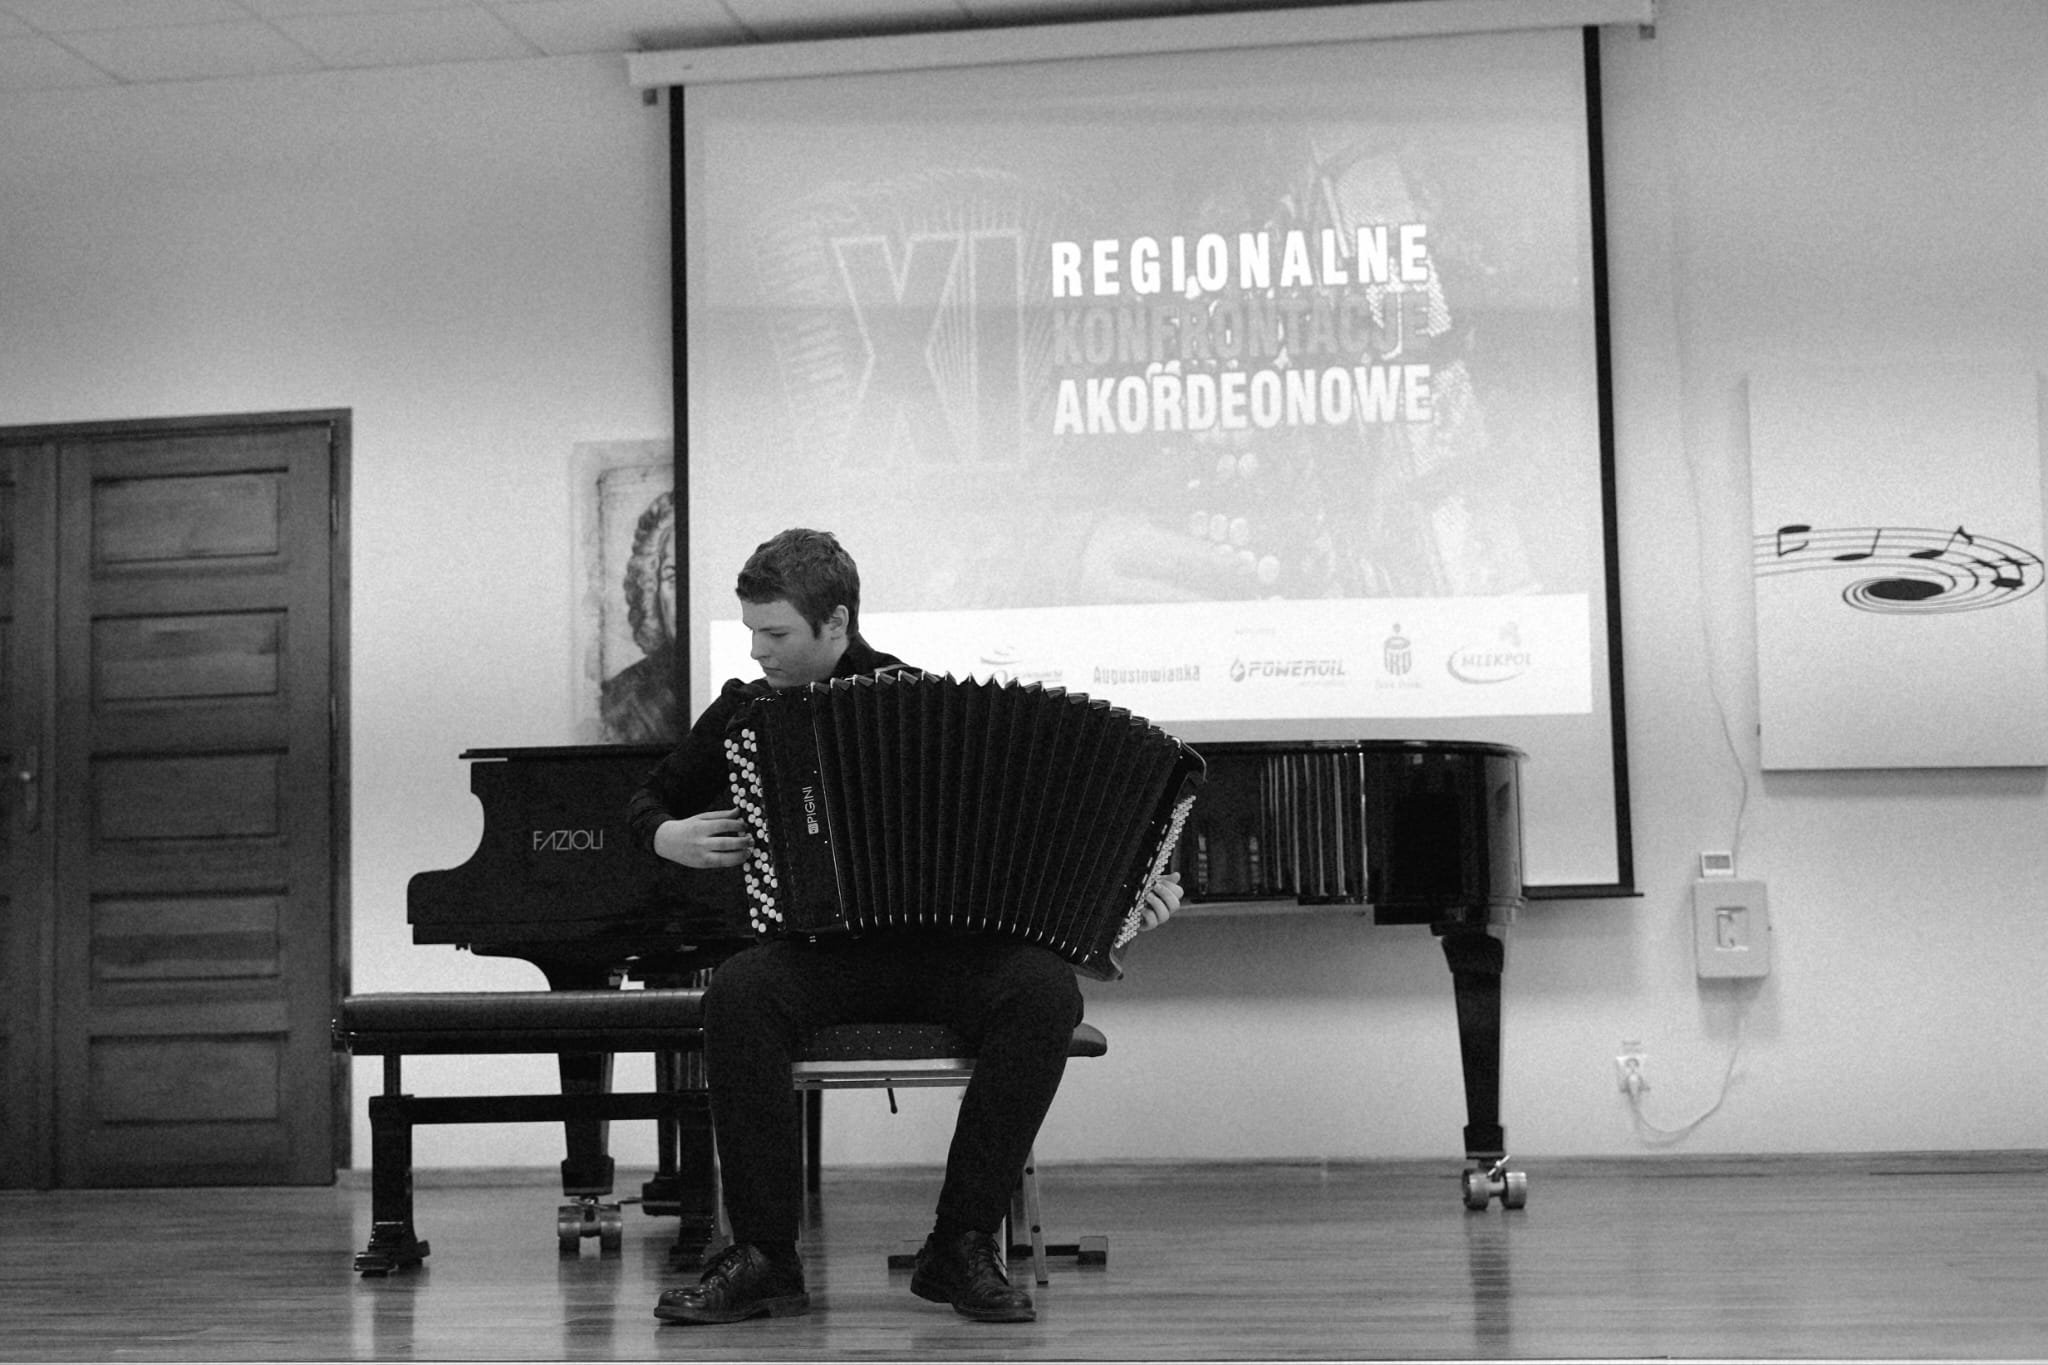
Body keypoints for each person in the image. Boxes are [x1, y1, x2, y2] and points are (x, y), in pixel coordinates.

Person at [627, 527, 1181, 1326]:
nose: (757, 652)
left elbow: (1048, 829)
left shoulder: (928, 705)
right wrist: (666, 835)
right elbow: (647, 800)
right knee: (740, 993)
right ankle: (764, 1257)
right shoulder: (747, 713)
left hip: (942, 954)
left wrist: (1130, 899)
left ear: (836, 622)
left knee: (1043, 991)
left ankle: (959, 1245)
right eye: (752, 631)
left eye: (775, 633)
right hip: (823, 957)